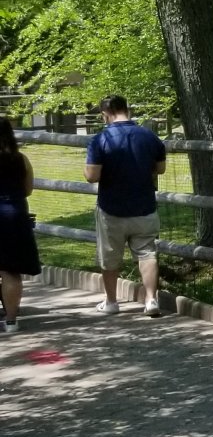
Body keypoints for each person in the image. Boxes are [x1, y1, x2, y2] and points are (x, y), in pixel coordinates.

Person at [83, 95, 167, 316]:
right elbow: (160, 168)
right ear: (126, 109)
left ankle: (111, 302)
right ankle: (151, 300)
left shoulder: (101, 140)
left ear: (105, 113)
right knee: (147, 253)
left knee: (109, 256)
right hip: (144, 206)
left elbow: (92, 176)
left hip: (112, 208)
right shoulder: (149, 136)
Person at [0, 117, 41, 331]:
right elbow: (28, 190)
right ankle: (11, 320)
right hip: (14, 214)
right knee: (10, 270)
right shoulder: (21, 159)